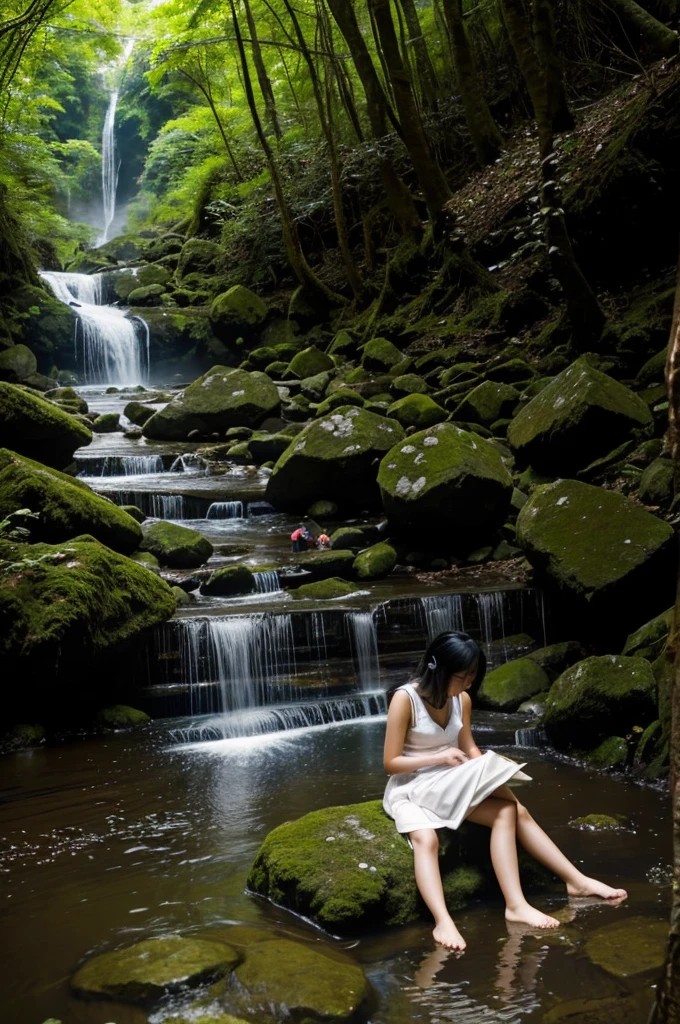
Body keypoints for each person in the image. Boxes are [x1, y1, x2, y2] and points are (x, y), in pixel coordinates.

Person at [383, 631, 627, 952]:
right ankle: (444, 922)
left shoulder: (462, 699)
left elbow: (469, 746)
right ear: (438, 669)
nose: (469, 682)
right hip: (414, 785)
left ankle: (524, 902)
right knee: (426, 839)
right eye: (463, 675)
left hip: (452, 781)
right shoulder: (405, 698)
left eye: (474, 675)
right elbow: (390, 762)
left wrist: (488, 768)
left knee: (508, 811)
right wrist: (440, 757)